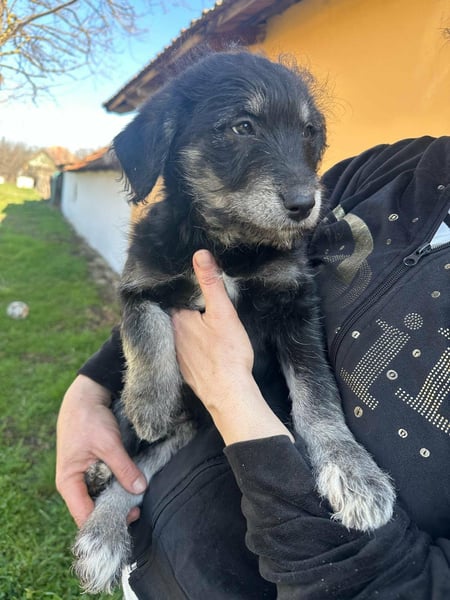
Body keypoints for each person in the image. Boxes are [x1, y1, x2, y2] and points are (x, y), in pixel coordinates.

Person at [56, 136, 450, 599]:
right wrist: (90, 388)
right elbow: (181, 284)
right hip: (150, 550)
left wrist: (230, 397)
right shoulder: (386, 168)